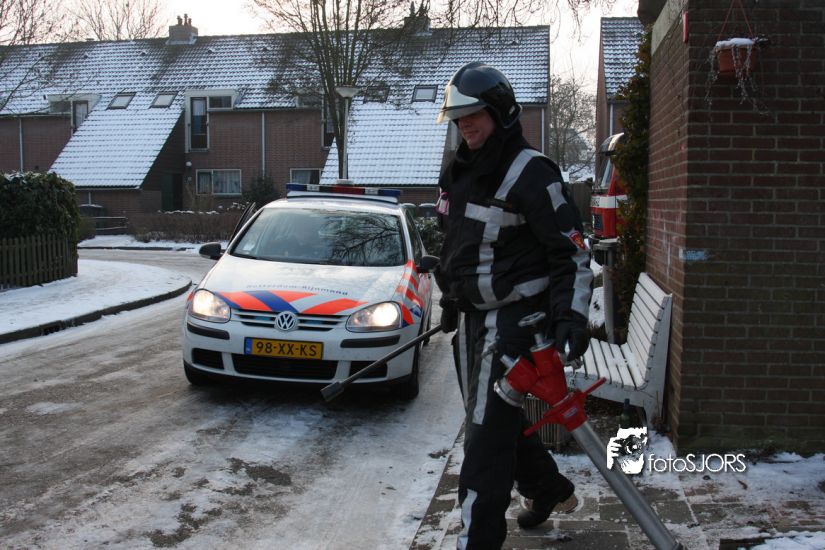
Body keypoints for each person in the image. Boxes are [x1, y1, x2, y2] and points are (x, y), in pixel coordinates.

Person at [434, 62, 593, 549]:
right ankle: (548, 488)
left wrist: (570, 316)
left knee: (483, 441)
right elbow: (456, 242)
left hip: (515, 322)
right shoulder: (458, 170)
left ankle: (477, 541)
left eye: (474, 115)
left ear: (501, 113)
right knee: (491, 421)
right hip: (473, 318)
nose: (465, 125)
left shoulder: (533, 173)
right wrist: (450, 294)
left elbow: (571, 254)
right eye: (459, 118)